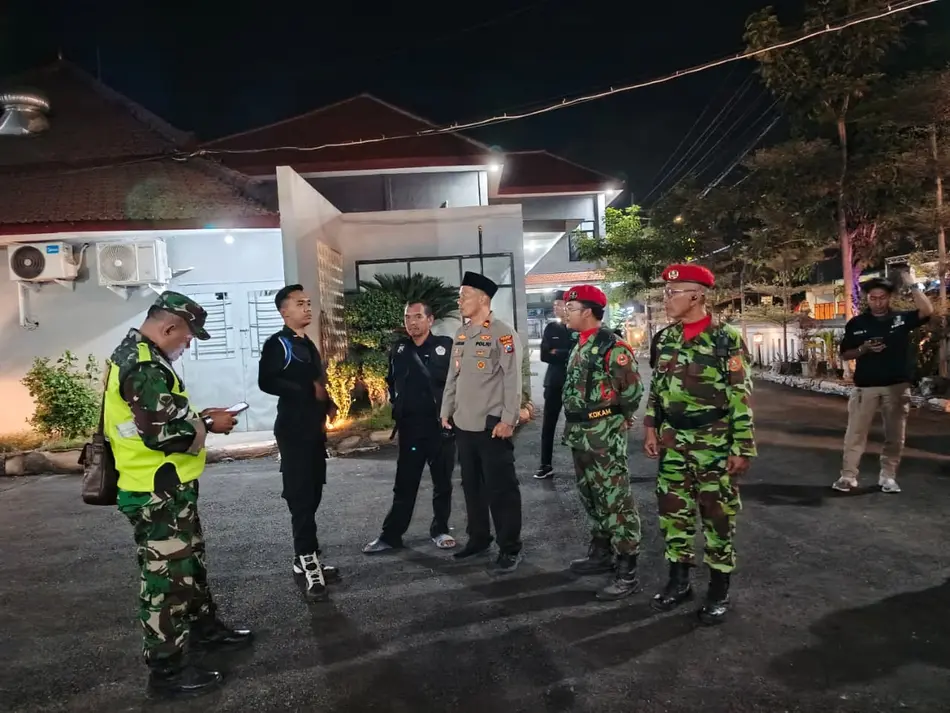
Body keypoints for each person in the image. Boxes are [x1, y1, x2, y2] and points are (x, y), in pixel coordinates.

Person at [104, 291, 252, 699]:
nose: (186, 346)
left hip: (167, 487)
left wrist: (200, 416)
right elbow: (161, 432)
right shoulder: (144, 365)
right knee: (166, 582)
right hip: (156, 491)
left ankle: (205, 631)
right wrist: (210, 422)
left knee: (189, 567)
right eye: (186, 338)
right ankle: (166, 672)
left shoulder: (138, 356)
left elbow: (159, 416)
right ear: (168, 327)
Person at [643, 264, 755, 625]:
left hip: (714, 443)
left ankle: (719, 588)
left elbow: (740, 396)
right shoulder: (665, 339)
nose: (667, 299)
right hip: (673, 442)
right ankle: (679, 582)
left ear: (697, 295)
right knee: (673, 515)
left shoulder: (725, 339)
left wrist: (742, 446)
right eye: (665, 292)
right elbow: (657, 391)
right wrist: (650, 426)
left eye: (673, 293)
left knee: (718, 517)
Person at [560, 285, 645, 601]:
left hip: (603, 433)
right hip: (581, 432)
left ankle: (627, 569)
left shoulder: (613, 347)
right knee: (590, 494)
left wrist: (619, 417)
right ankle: (601, 552)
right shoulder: (580, 344)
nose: (565, 312)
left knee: (614, 498)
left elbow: (632, 391)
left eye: (571, 308)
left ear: (587, 311)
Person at [258, 284, 340, 603]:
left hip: (314, 431)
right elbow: (267, 381)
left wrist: (328, 402)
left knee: (314, 492)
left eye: (308, 302)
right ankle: (309, 564)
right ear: (284, 312)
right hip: (293, 432)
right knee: (301, 496)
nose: (307, 307)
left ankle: (303, 558)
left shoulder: (307, 342)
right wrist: (306, 390)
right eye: (299, 303)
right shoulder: (277, 343)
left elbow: (318, 382)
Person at [441, 271, 524, 574]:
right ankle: (479, 538)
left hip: (492, 426)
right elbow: (454, 375)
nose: (459, 300)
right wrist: (446, 409)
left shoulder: (503, 333)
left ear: (483, 298)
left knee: (501, 490)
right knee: (471, 487)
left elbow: (513, 379)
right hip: (464, 423)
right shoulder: (461, 335)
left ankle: (510, 547)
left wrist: (509, 419)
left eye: (464, 294)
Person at [363, 301, 457, 553]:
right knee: (405, 483)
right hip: (410, 430)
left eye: (417, 317)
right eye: (407, 317)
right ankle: (391, 535)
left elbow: (458, 383)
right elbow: (391, 381)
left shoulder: (445, 346)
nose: (411, 322)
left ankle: (440, 529)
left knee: (443, 483)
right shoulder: (399, 348)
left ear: (430, 319)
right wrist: (398, 405)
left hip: (440, 428)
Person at [833, 272, 933, 494]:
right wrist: (864, 349)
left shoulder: (901, 319)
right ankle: (848, 477)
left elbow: (927, 311)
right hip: (865, 387)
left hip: (896, 387)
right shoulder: (857, 323)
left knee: (895, 435)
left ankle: (887, 477)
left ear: (889, 298)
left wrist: (913, 285)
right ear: (867, 299)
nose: (878, 302)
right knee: (855, 434)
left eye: (882, 297)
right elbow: (845, 354)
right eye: (873, 298)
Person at [535, 290, 576, 479]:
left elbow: (578, 355)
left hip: (576, 384)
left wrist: (556, 352)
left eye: (558, 304)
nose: (555, 307)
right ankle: (545, 464)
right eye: (554, 305)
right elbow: (544, 355)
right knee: (548, 426)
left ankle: (582, 464)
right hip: (553, 383)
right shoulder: (551, 328)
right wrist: (565, 353)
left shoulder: (578, 329)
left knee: (578, 424)